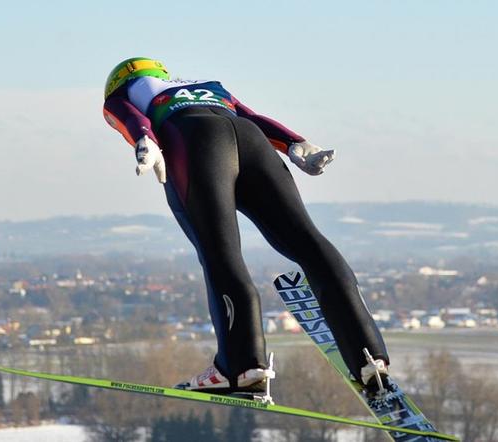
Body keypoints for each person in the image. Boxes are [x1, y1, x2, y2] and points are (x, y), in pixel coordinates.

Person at [102, 57, 389, 397]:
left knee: (220, 254)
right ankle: (369, 355)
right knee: (309, 243)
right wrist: (296, 143)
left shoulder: (120, 96)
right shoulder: (207, 87)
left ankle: (242, 367)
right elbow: (252, 118)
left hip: (194, 141)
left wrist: (145, 139)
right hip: (250, 139)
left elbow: (130, 119)